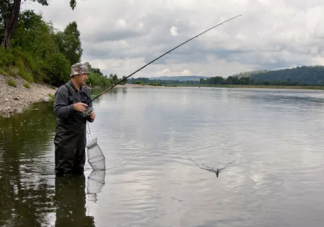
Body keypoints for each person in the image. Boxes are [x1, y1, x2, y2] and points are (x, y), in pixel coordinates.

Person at [54, 63, 96, 176]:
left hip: (80, 140)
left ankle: (78, 193)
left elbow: (90, 109)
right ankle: (63, 193)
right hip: (65, 140)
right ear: (75, 75)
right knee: (63, 173)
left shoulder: (86, 92)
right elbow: (57, 112)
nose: (86, 77)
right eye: (84, 74)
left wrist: (91, 115)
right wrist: (73, 107)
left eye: (87, 74)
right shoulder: (63, 90)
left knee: (79, 171)